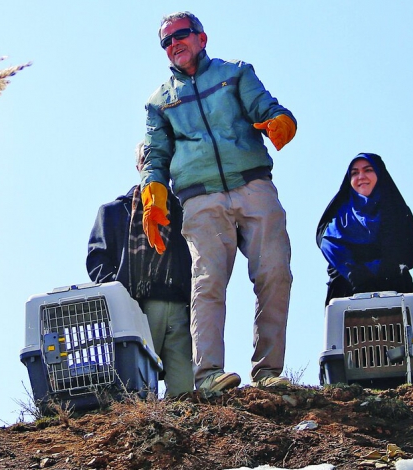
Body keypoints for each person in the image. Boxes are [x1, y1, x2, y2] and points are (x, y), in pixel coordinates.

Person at [139, 11, 297, 392]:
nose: (173, 43)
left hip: (253, 184)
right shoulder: (158, 103)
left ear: (201, 38)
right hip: (200, 198)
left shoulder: (236, 73)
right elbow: (155, 157)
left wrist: (279, 120)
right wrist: (153, 199)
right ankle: (208, 375)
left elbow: (265, 107)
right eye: (166, 41)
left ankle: (268, 372)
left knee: (275, 273)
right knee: (207, 281)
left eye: (180, 35)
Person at [86, 143, 194, 396]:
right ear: (138, 166)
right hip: (137, 309)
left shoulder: (184, 210)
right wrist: (122, 297)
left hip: (180, 309)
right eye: (147, 160)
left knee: (185, 392)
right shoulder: (114, 211)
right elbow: (97, 260)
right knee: (138, 391)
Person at [316, 153, 413, 305]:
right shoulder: (338, 216)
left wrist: (374, 270)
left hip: (394, 295)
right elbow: (330, 245)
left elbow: (404, 252)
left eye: (368, 170)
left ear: (380, 174)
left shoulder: (398, 212)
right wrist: (355, 273)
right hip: (347, 295)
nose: (361, 176)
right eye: (354, 173)